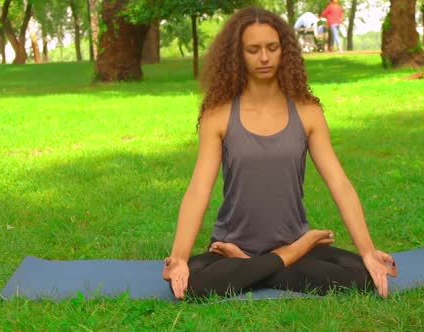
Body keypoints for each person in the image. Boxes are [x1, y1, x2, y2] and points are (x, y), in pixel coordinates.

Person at [162, 7, 397, 300]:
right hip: (232, 246)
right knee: (191, 285)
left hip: (293, 245)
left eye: (272, 48)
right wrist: (180, 258)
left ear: (284, 51)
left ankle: (253, 267)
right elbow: (199, 189)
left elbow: (340, 183)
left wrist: (367, 250)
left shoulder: (307, 112)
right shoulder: (218, 115)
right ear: (238, 55)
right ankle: (279, 257)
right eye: (253, 49)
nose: (264, 57)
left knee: (365, 276)